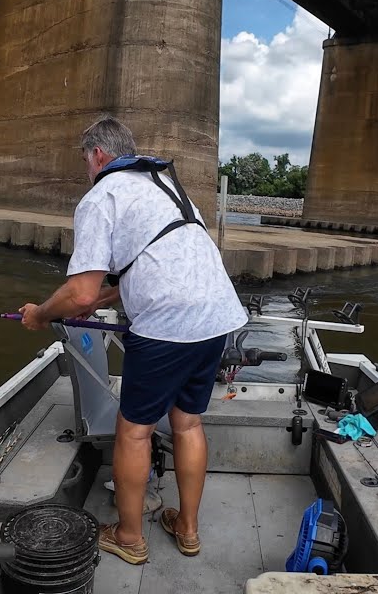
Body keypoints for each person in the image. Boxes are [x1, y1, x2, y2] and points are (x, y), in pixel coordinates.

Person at [19, 116, 247, 565]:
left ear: (98, 155)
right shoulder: (168, 187)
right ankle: (188, 528)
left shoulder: (102, 194)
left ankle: (128, 536)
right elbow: (153, 265)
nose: (87, 168)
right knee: (188, 424)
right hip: (218, 318)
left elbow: (79, 291)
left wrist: (42, 314)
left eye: (86, 159)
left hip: (166, 328)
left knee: (134, 432)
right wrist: (100, 298)